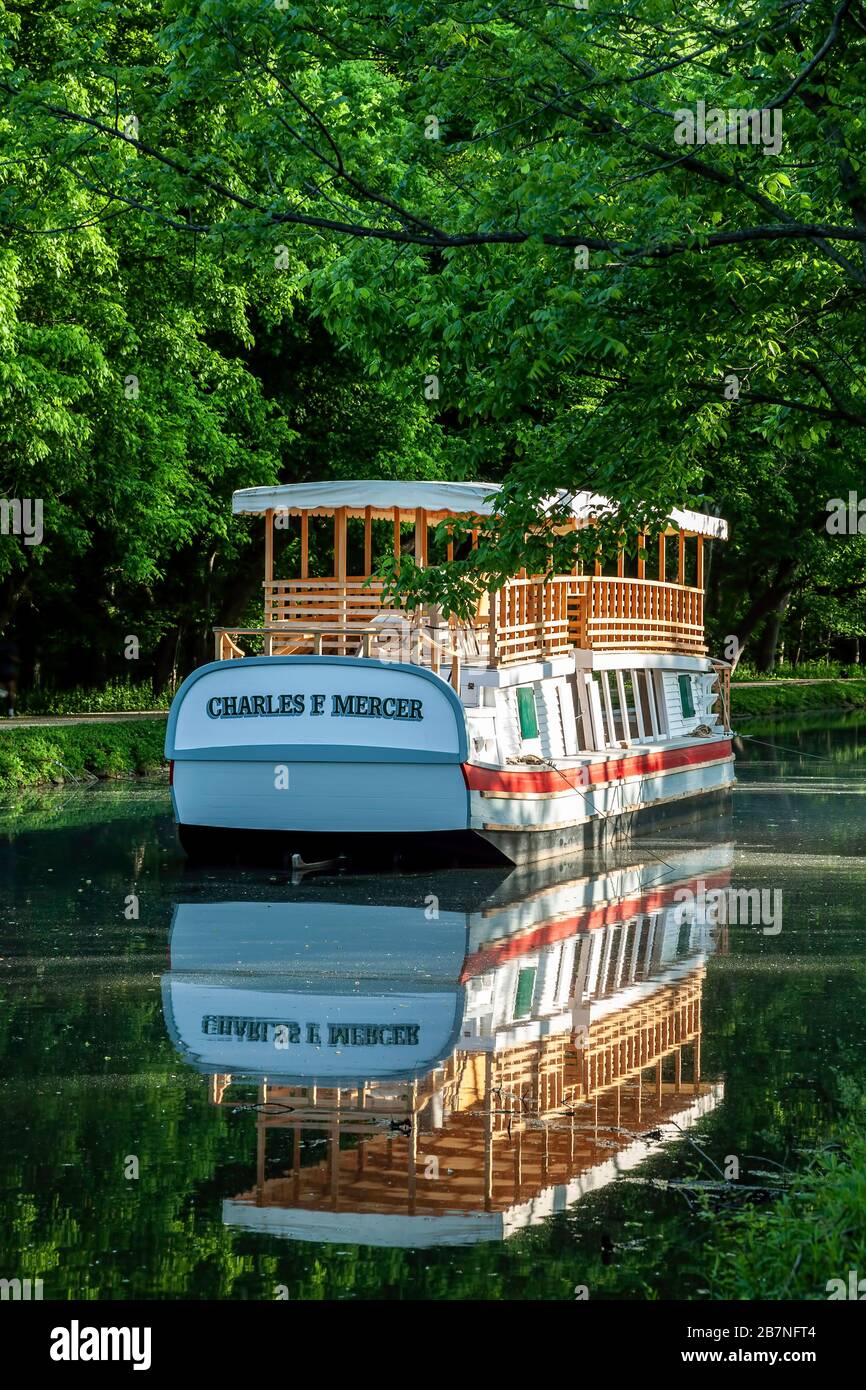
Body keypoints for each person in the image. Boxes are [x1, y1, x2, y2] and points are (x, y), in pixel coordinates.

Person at [0, 638, 20, 717]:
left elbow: (16, 659)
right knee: (11, 692)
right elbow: (16, 660)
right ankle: (10, 711)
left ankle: (10, 711)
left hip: (9, 671)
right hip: (8, 671)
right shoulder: (12, 646)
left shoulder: (12, 646)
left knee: (10, 692)